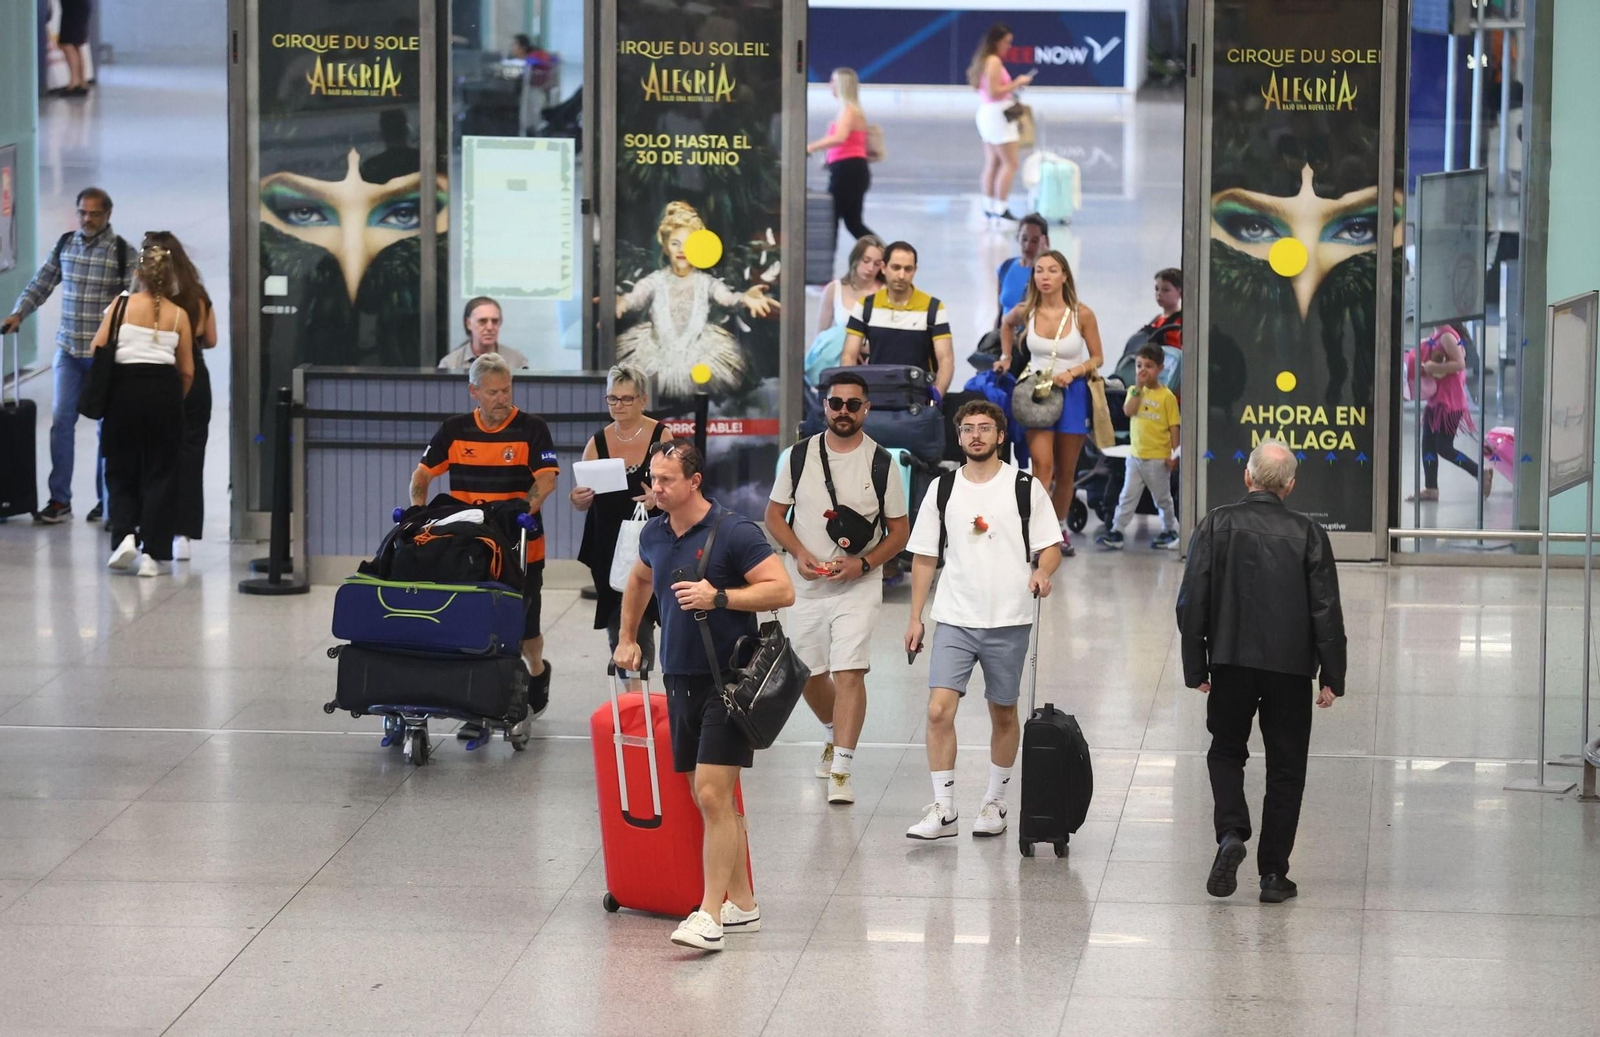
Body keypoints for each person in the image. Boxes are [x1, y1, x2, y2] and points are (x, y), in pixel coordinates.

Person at [613, 442, 795, 952]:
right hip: (680, 679)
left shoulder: (735, 532)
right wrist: (629, 637)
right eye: (654, 478)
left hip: (729, 683)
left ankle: (709, 914)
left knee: (714, 795)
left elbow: (782, 590)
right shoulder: (653, 532)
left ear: (694, 482)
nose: (656, 488)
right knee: (708, 798)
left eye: (667, 480)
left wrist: (720, 597)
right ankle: (744, 903)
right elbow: (639, 578)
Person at [1175, 441, 1347, 904]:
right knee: (1287, 769)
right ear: (1291, 486)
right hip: (1291, 669)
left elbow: (1192, 600)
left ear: (1247, 478)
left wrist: (1196, 664)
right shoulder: (1309, 533)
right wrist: (1332, 675)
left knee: (1226, 751)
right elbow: (1326, 611)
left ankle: (1231, 832)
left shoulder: (1216, 523)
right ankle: (1273, 874)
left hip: (1230, 661)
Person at [902, 400, 1061, 839]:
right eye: (968, 428)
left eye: (985, 428)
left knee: (1003, 712)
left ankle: (995, 802)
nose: (976, 435)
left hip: (1009, 618)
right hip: (954, 616)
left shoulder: (1024, 487)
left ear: (1000, 436)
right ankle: (945, 808)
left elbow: (1050, 545)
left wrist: (1042, 572)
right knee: (938, 710)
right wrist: (915, 617)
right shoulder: (943, 489)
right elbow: (924, 556)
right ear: (959, 437)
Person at [765, 372, 910, 805]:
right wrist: (798, 555)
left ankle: (843, 766)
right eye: (836, 403)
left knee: (850, 670)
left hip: (859, 584)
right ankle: (833, 732)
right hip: (807, 584)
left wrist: (863, 564)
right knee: (807, 673)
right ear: (825, 407)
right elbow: (774, 516)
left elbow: (900, 532)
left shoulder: (882, 462)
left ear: (866, 409)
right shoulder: (797, 457)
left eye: (853, 404)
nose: (843, 411)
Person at [411, 352, 558, 731]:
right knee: (471, 622)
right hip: (470, 547)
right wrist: (417, 508)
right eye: (492, 392)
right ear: (474, 391)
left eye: (506, 389)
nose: (501, 398)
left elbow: (546, 479)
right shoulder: (455, 429)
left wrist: (523, 510)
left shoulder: (532, 427)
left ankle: (538, 671)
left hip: (521, 544)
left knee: (524, 629)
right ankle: (479, 699)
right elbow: (423, 474)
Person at [3, 187, 131, 524]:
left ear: (108, 215)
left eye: (94, 214)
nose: (87, 219)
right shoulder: (65, 245)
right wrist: (19, 313)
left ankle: (106, 501)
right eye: (82, 213)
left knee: (108, 428)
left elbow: (137, 299)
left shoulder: (121, 252)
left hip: (103, 357)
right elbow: (41, 283)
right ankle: (60, 499)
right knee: (61, 423)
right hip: (68, 351)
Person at [93, 244, 194, 577]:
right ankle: (152, 553)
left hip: (123, 395)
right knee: (161, 474)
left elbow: (97, 346)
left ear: (137, 275)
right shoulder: (179, 315)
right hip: (164, 396)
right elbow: (188, 370)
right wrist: (174, 399)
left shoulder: (120, 306)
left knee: (119, 468)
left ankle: (124, 536)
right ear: (169, 279)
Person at [998, 248, 1103, 556]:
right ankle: (1036, 534)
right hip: (1037, 394)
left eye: (1052, 270)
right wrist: (1006, 356)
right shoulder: (1026, 310)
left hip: (1072, 394)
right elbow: (1005, 324)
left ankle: (1059, 528)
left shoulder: (1082, 314)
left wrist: (1074, 371)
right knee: (1042, 466)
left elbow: (1098, 356)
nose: (1044, 276)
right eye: (1040, 270)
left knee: (1066, 471)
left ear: (1065, 276)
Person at [614, 201, 779, 397]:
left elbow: (727, 298)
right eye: (675, 244)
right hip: (657, 353)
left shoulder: (705, 282)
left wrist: (745, 297)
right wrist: (622, 301)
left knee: (698, 399)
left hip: (698, 355)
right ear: (666, 247)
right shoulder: (656, 281)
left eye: (688, 244)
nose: (682, 250)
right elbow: (636, 297)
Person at [572, 365, 673, 682]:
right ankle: (629, 688)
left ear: (643, 399)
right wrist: (579, 499)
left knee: (650, 615)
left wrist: (659, 498)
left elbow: (679, 487)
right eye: (612, 399)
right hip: (609, 541)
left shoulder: (661, 436)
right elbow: (580, 499)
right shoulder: (597, 442)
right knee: (619, 618)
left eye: (626, 399)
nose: (618, 405)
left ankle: (646, 681)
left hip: (650, 539)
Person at [141, 232, 218, 561]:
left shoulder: (147, 298)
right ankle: (183, 535)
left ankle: (152, 530)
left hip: (159, 376)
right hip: (196, 377)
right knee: (191, 455)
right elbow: (211, 339)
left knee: (156, 455)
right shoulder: (196, 294)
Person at [840, 241, 955, 395]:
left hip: (917, 397)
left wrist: (937, 396)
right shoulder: (866, 306)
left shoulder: (933, 308)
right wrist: (852, 394)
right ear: (883, 268)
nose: (901, 275)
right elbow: (849, 355)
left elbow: (946, 360)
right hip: (875, 395)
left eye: (908, 269)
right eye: (896, 268)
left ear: (915, 270)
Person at [1097, 344, 1180, 550]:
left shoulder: (1166, 397)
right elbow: (1128, 411)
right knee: (1127, 496)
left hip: (1158, 459)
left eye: (1149, 366)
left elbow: (1174, 427)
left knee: (1162, 498)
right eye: (1139, 365)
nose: (1143, 370)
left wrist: (1175, 454)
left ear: (1160, 369)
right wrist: (1138, 388)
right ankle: (1117, 530)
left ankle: (1170, 529)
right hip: (1135, 457)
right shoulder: (1134, 391)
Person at [1407, 323, 1487, 502]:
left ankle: (1479, 472)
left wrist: (1433, 368)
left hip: (1450, 402)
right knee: (1427, 444)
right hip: (1437, 401)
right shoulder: (1437, 334)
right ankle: (1431, 489)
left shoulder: (1447, 336)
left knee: (1443, 447)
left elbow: (1460, 363)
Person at [968, 24, 1034, 222]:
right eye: (1006, 42)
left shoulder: (983, 61)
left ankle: (990, 206)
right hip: (998, 116)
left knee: (993, 162)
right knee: (1010, 163)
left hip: (988, 114)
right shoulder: (994, 61)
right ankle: (1001, 207)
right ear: (996, 42)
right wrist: (1018, 82)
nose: (1009, 46)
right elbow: (994, 91)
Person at [806, 68, 876, 243]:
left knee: (831, 219)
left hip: (848, 171)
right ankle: (885, 257)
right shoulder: (849, 110)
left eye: (833, 82)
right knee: (853, 222)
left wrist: (810, 147)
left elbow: (839, 138)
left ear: (841, 86)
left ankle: (885, 258)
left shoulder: (850, 111)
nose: (830, 86)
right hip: (851, 170)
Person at [437, 297, 530, 370]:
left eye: (495, 321)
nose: (489, 327)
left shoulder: (516, 361)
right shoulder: (450, 364)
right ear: (468, 324)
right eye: (482, 321)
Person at [817, 236, 884, 337]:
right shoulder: (833, 289)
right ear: (855, 259)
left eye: (877, 264)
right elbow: (820, 336)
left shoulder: (886, 292)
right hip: (841, 351)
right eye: (866, 260)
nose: (870, 268)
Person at [995, 214, 1049, 328]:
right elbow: (999, 312)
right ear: (1017, 237)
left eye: (1035, 241)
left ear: (1044, 242)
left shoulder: (1047, 274)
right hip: (1004, 340)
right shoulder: (1006, 267)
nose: (1028, 245)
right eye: (1024, 239)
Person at [54, 0, 93, 97]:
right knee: (76, 44)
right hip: (80, 6)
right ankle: (81, 82)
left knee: (67, 43)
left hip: (72, 8)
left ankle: (74, 82)